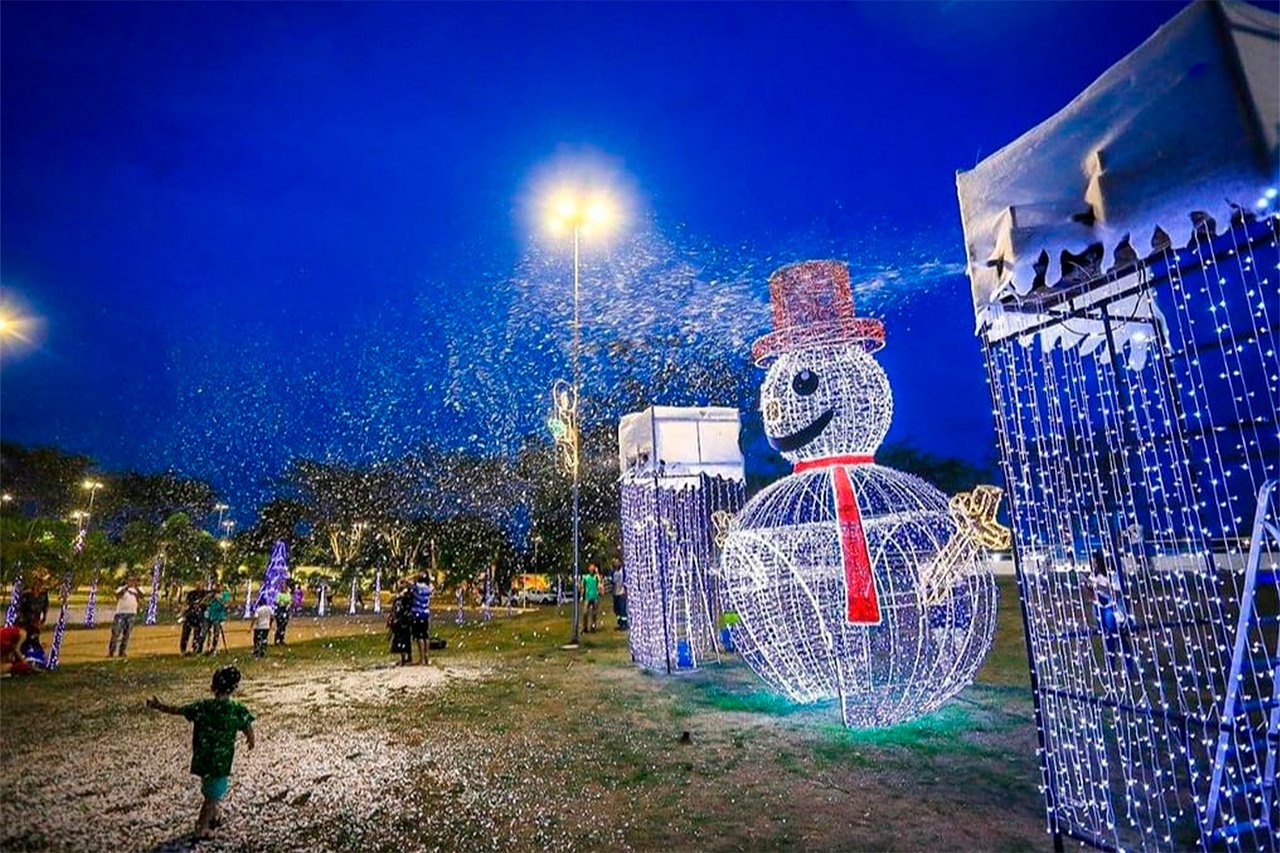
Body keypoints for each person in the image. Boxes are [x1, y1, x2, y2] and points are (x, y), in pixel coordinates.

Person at [146, 666, 255, 840]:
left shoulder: (203, 707)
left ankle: (214, 815)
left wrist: (160, 706)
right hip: (220, 762)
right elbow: (247, 726)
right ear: (234, 688)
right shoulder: (236, 709)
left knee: (211, 790)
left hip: (203, 758)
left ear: (213, 687)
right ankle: (202, 828)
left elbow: (179, 710)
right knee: (212, 796)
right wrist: (250, 740)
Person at [108, 576, 144, 657]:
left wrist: (136, 588)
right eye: (129, 580)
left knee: (127, 634)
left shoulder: (138, 589)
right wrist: (126, 588)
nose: (131, 582)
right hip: (120, 613)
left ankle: (122, 651)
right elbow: (118, 595)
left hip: (131, 614)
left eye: (133, 580)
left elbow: (142, 596)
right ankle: (111, 651)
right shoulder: (122, 588)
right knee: (116, 633)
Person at [410, 572, 433, 665]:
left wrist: (413, 576)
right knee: (425, 635)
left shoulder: (416, 586)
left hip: (417, 613)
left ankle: (422, 658)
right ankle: (427, 657)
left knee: (419, 636)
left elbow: (405, 581)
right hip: (425, 613)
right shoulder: (428, 588)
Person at [388, 583, 413, 666]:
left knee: (402, 640)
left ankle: (404, 659)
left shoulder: (400, 600)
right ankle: (408, 657)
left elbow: (395, 611)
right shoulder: (407, 599)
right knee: (406, 640)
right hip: (405, 621)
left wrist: (393, 620)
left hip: (401, 622)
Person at [181, 586, 210, 655]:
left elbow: (207, 604)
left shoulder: (205, 594)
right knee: (186, 633)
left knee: (197, 633)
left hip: (199, 617)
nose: (199, 585)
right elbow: (186, 604)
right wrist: (184, 611)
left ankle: (196, 649)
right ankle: (183, 650)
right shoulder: (191, 594)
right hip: (190, 615)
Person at [204, 586, 230, 655]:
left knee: (216, 633)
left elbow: (226, 604)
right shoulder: (211, 595)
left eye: (219, 586)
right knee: (208, 632)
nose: (217, 588)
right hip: (210, 615)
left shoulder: (225, 594)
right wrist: (208, 598)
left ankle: (214, 648)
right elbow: (205, 602)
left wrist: (218, 598)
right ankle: (207, 648)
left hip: (219, 617)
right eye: (216, 586)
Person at [582, 564, 601, 634]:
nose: (592, 570)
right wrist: (581, 595)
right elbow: (583, 586)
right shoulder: (586, 577)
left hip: (595, 596)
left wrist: (597, 572)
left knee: (594, 613)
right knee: (585, 612)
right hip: (587, 597)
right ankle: (585, 627)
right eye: (591, 569)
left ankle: (593, 627)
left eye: (593, 569)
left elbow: (600, 581)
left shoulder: (596, 577)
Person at [611, 564, 628, 630]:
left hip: (622, 592)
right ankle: (620, 623)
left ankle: (624, 624)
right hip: (615, 593)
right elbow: (612, 581)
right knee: (616, 609)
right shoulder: (613, 572)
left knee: (622, 608)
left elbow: (626, 580)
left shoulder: (623, 571)